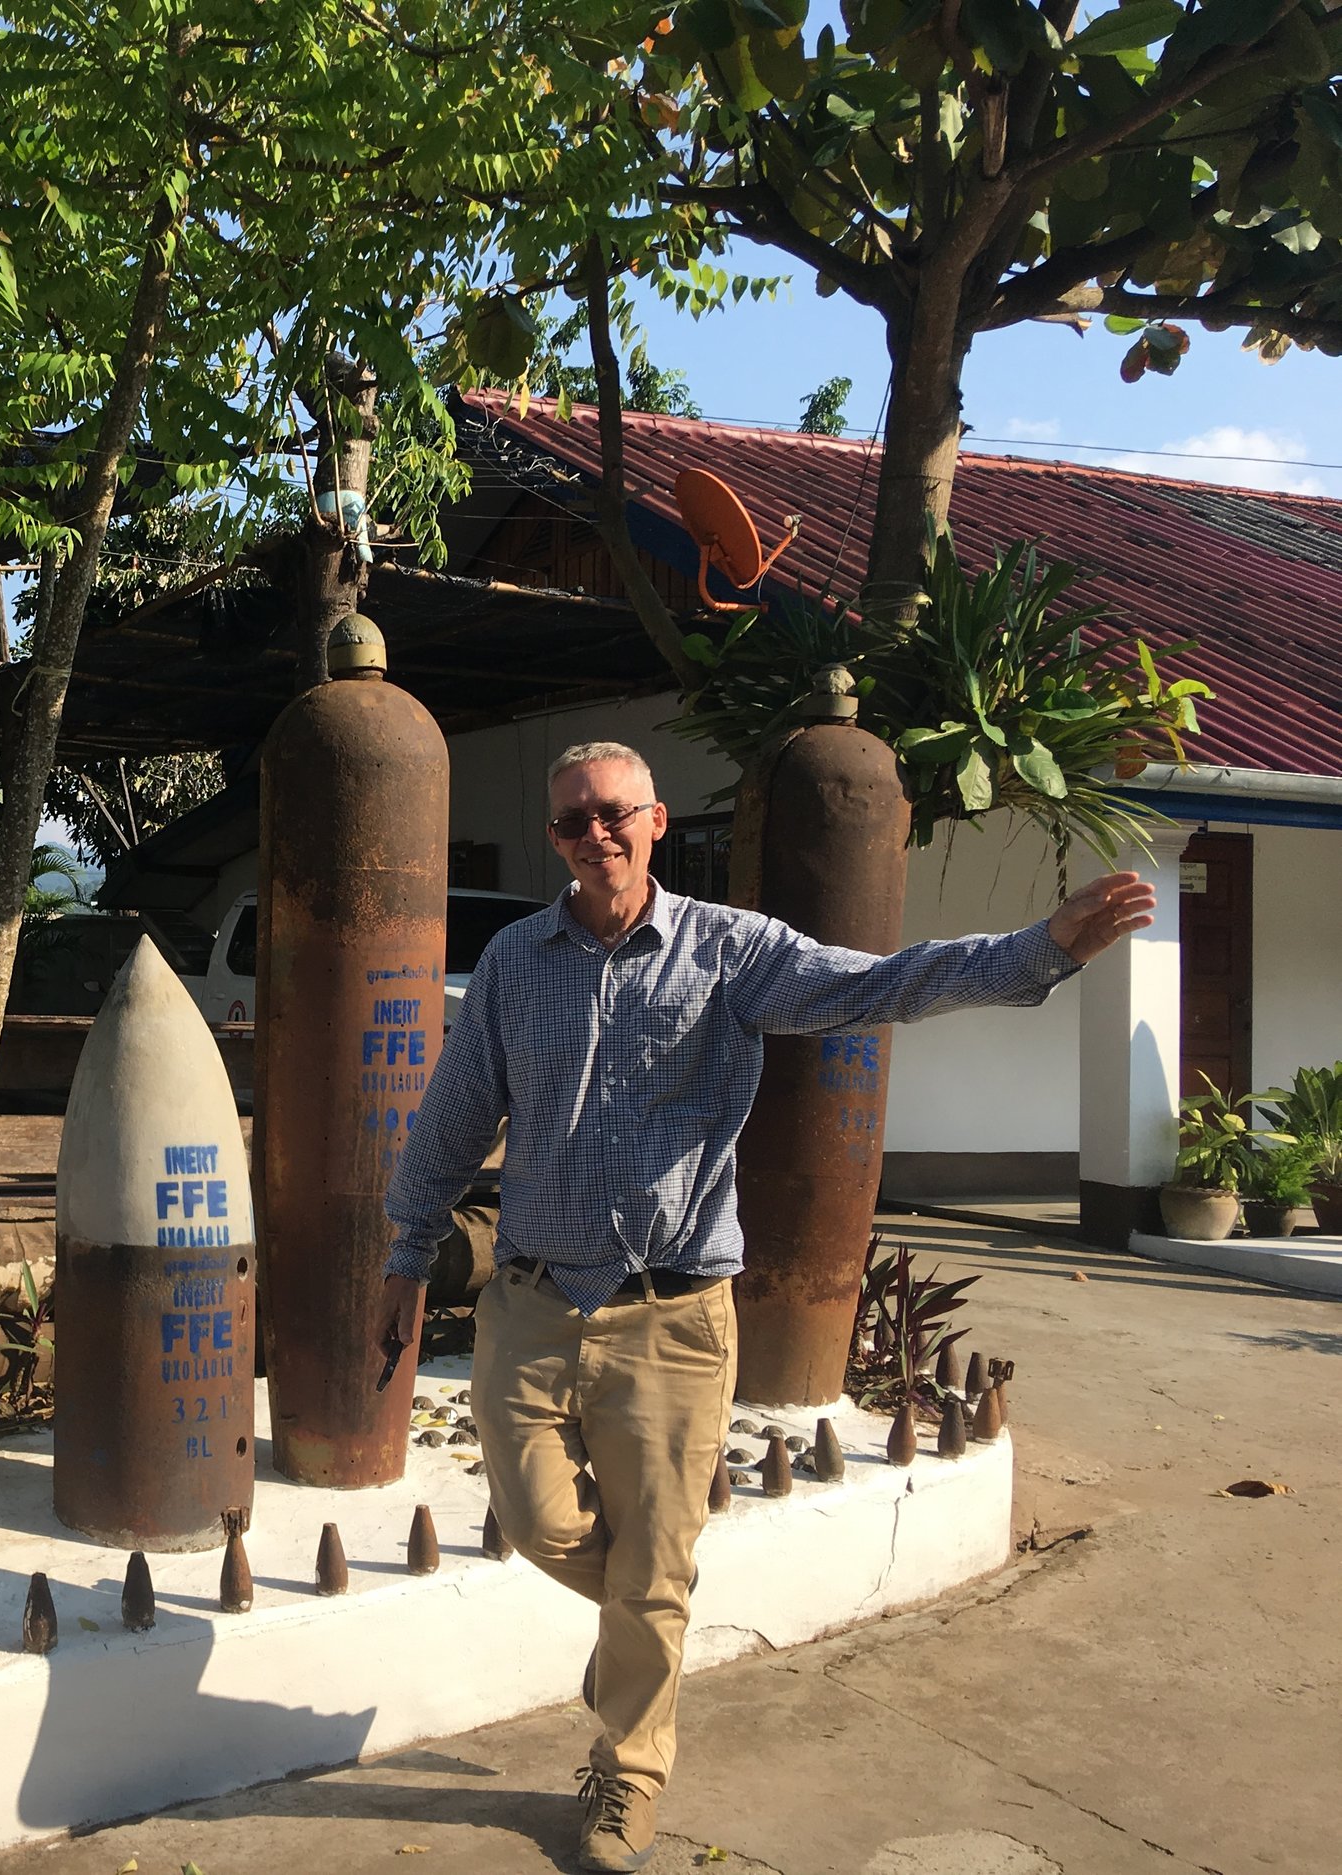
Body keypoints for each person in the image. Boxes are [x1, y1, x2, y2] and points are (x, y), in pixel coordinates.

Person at [375, 739, 1154, 1873]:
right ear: (554, 837)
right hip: (534, 1302)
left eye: (613, 813)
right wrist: (406, 1252)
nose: (593, 834)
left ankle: (628, 1770)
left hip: (674, 1315)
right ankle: (641, 1635)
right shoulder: (512, 962)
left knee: (653, 1568)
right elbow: (454, 1114)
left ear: (655, 822)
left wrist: (1037, 951)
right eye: (571, 821)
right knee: (540, 1524)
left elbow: (878, 983)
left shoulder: (729, 952)